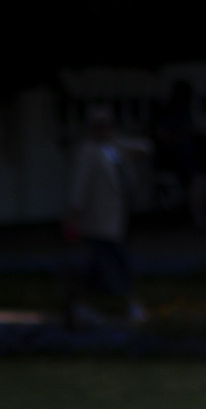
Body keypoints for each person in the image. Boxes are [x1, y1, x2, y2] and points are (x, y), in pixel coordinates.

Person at [65, 105, 144, 325]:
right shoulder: (88, 152)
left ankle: (84, 305)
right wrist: (73, 215)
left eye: (107, 126)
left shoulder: (114, 148)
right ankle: (128, 304)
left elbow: (143, 148)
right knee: (112, 263)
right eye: (99, 126)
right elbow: (79, 187)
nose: (103, 130)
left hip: (117, 219)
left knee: (101, 267)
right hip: (99, 220)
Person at [150, 80, 206, 229]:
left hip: (193, 160)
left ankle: (199, 214)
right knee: (197, 181)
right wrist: (182, 135)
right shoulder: (167, 113)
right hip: (175, 159)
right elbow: (161, 136)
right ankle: (198, 218)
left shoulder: (185, 112)